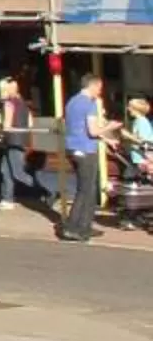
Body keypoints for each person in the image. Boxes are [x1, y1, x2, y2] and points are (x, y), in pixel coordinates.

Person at [62, 72, 109, 242]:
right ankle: (73, 227)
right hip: (86, 149)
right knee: (86, 190)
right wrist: (109, 127)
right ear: (93, 85)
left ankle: (85, 225)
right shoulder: (89, 105)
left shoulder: (72, 102)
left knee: (86, 188)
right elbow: (93, 131)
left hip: (73, 148)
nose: (100, 92)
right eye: (99, 88)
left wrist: (106, 138)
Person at [0, 75, 48, 206]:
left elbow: (6, 125)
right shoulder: (22, 102)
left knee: (18, 173)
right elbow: (29, 123)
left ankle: (45, 193)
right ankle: (7, 199)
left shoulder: (8, 103)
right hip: (21, 140)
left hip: (12, 141)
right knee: (5, 170)